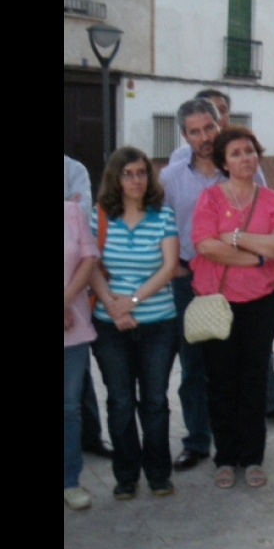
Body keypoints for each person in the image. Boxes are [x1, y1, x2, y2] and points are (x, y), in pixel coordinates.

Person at [170, 89, 274, 427]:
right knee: (196, 362)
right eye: (194, 131)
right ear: (184, 135)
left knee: (256, 356)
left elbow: (270, 220)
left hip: (250, 281)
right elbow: (166, 227)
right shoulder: (171, 176)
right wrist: (173, 267)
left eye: (209, 128)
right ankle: (200, 438)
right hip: (194, 278)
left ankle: (264, 411)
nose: (204, 137)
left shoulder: (246, 167)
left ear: (219, 124)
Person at [191, 127, 274, 489]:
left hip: (261, 303)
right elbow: (205, 246)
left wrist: (235, 239)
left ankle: (252, 457)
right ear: (223, 161)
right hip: (217, 302)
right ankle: (225, 456)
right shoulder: (210, 199)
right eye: (235, 153)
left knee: (254, 380)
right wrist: (256, 259)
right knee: (221, 382)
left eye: (249, 151)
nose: (245, 158)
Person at [89, 147, 181, 500]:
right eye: (128, 173)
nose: (136, 180)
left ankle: (159, 474)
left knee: (155, 400)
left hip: (158, 323)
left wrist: (133, 301)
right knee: (120, 401)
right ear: (116, 177)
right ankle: (126, 475)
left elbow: (169, 266)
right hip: (110, 325)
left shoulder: (163, 216)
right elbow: (91, 264)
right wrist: (114, 306)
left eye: (142, 172)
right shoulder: (100, 218)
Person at [64, 153, 113, 458]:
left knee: (76, 377)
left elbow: (77, 215)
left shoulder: (74, 168)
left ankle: (89, 437)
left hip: (76, 286)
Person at [64, 200, 100, 510]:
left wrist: (64, 301)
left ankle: (70, 481)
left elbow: (90, 258)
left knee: (69, 407)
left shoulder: (72, 212)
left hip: (71, 325)